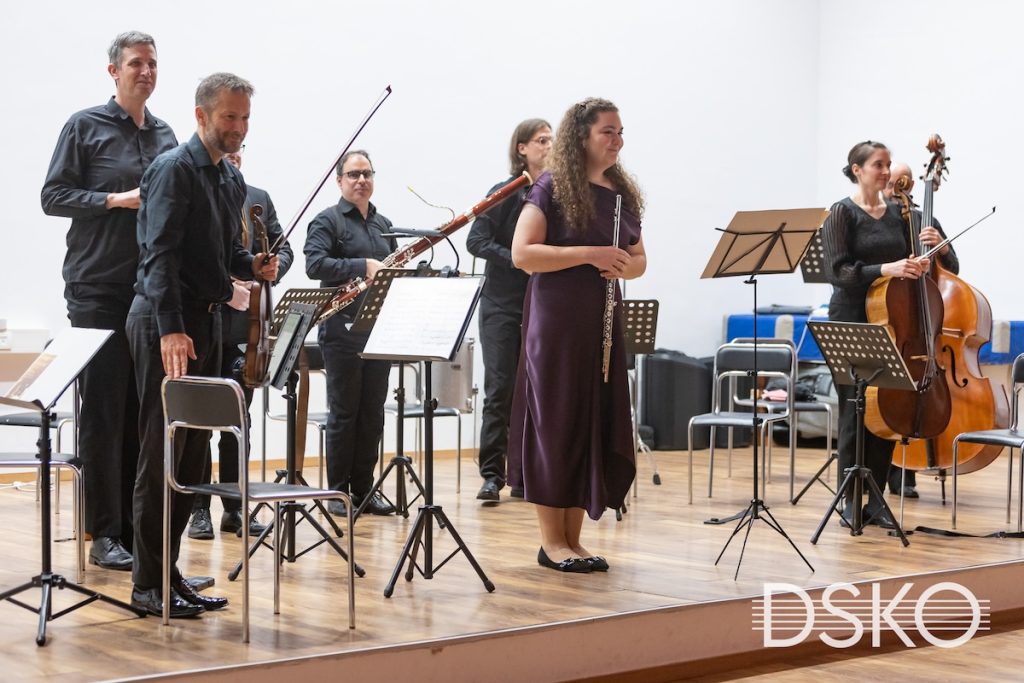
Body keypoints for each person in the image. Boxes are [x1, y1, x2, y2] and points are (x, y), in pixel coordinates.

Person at [127, 72, 279, 617]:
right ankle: (147, 585)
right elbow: (159, 256)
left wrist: (253, 265)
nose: (238, 127)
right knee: (162, 454)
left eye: (245, 118)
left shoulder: (230, 179)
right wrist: (171, 327)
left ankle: (168, 575)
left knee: (191, 459)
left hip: (208, 325)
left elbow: (222, 256)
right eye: (229, 117)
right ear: (201, 116)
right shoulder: (173, 169)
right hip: (167, 325)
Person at [40, 31, 178, 571]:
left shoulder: (166, 135)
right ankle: (103, 532)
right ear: (114, 71)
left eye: (153, 63)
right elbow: (53, 196)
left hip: (148, 290)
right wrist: (115, 199)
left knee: (142, 411)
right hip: (96, 287)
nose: (146, 71)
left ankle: (135, 531)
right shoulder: (84, 126)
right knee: (102, 410)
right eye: (136, 63)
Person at [508, 98, 646, 573]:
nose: (617, 140)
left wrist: (624, 265)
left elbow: (639, 259)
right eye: (608, 131)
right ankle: (552, 542)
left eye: (620, 131)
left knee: (590, 422)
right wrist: (589, 254)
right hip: (557, 322)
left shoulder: (621, 192)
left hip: (602, 321)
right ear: (581, 136)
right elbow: (523, 254)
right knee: (557, 423)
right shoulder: (552, 186)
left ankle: (574, 540)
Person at [820, 141, 955, 528]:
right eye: (878, 165)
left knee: (886, 412)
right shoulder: (841, 213)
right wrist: (886, 269)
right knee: (854, 411)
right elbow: (838, 272)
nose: (886, 171)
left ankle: (876, 500)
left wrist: (925, 259)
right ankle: (849, 500)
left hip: (893, 322)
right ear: (857, 170)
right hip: (852, 319)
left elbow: (929, 264)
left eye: (887, 164)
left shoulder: (901, 213)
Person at [187, 147, 294, 540]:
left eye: (238, 151)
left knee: (238, 422)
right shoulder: (197, 192)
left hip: (247, 330)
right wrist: (229, 286)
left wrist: (270, 270)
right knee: (199, 423)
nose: (233, 155)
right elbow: (195, 256)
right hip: (206, 323)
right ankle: (199, 509)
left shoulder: (258, 198)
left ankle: (234, 508)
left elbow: (283, 248)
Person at [304, 150, 397, 517]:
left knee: (372, 413)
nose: (361, 180)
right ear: (339, 180)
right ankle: (337, 491)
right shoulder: (327, 221)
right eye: (354, 174)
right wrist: (363, 265)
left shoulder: (384, 224)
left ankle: (364, 489)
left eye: (367, 174)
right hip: (341, 330)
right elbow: (315, 265)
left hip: (377, 329)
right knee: (345, 413)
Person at [466, 118, 552, 503]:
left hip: (542, 304)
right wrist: (518, 260)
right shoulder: (504, 193)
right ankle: (491, 475)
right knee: (500, 389)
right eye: (541, 140)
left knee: (536, 390)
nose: (549, 146)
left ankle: (525, 473)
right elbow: (476, 240)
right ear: (522, 148)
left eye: (552, 140)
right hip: (501, 304)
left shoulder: (556, 194)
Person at [881, 161, 959, 499]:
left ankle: (905, 473)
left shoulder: (925, 220)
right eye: (891, 182)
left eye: (902, 182)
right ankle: (882, 471)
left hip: (923, 321)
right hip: (890, 316)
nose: (895, 188)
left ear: (912, 185)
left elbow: (953, 269)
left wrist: (943, 245)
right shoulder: (877, 221)